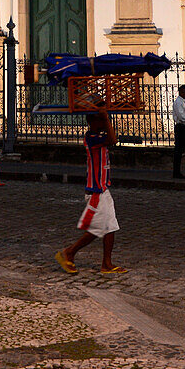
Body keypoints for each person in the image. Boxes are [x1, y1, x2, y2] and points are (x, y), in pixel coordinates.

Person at [55, 102, 127, 275]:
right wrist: (105, 116)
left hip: (103, 189)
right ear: (93, 122)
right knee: (98, 229)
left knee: (110, 226)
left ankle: (106, 264)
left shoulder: (97, 136)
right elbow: (113, 140)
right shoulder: (92, 138)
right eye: (100, 121)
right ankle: (69, 252)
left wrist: (104, 115)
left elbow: (110, 138)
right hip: (96, 191)